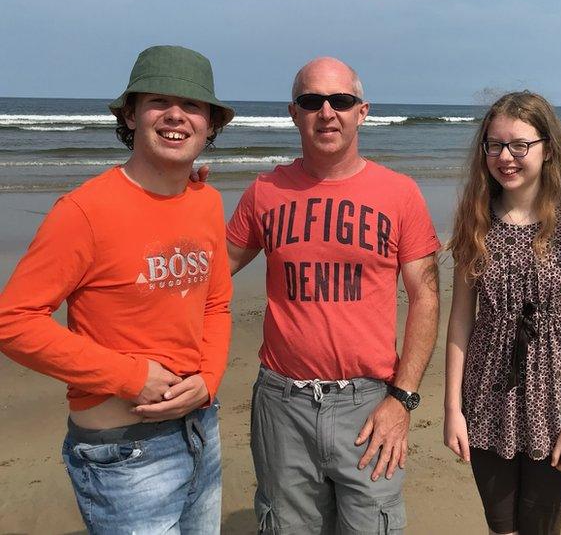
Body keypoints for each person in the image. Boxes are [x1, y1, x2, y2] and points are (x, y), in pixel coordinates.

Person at [0, 45, 234, 533]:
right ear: (131, 114)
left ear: (210, 124)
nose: (176, 115)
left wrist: (209, 378)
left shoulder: (207, 201)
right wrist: (129, 377)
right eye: (158, 101)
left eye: (192, 105)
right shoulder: (83, 212)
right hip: (123, 453)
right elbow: (13, 321)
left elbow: (216, 303)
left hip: (201, 430)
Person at [225, 57, 440, 534]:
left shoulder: (399, 194)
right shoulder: (264, 192)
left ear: (361, 112)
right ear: (293, 112)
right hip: (283, 405)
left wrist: (402, 400)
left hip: (369, 405)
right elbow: (212, 274)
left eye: (340, 101)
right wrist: (182, 199)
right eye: (311, 101)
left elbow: (425, 298)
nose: (327, 112)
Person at [443, 91, 561, 535]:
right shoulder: (474, 218)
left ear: (547, 148)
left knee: (541, 527)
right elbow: (460, 321)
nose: (505, 156)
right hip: (485, 391)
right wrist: (452, 409)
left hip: (554, 397)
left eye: (519, 145)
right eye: (494, 145)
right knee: (500, 527)